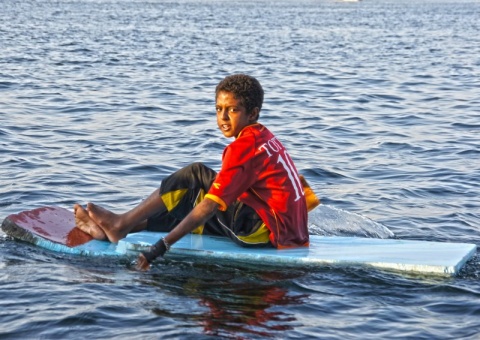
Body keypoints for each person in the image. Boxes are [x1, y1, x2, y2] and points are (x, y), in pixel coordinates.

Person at [74, 74, 319, 270]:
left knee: (195, 175)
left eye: (232, 110)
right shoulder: (264, 136)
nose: (223, 117)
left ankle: (121, 224)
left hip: (262, 233)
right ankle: (116, 230)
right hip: (287, 232)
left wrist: (161, 247)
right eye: (218, 108)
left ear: (252, 113)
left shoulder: (244, 147)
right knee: (198, 199)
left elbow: (210, 207)